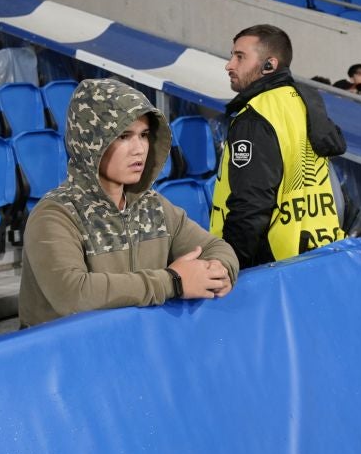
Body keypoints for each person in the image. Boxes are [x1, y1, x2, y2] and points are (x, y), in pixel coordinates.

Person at [18, 79, 238, 326]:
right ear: (90, 144)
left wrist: (219, 270)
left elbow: (216, 248)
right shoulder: (55, 214)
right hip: (63, 359)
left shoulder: (153, 206)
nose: (139, 149)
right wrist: (173, 282)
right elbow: (74, 294)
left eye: (144, 135)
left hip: (129, 350)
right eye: (123, 136)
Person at [211, 25, 347, 268]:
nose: (229, 65)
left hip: (272, 264)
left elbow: (250, 204)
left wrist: (226, 266)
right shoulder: (303, 102)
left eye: (240, 57)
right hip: (316, 251)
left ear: (269, 65)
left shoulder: (256, 117)